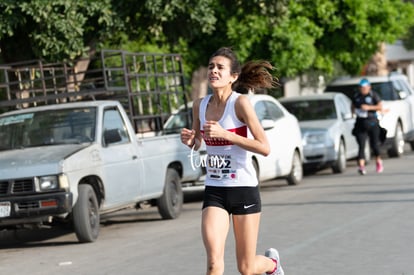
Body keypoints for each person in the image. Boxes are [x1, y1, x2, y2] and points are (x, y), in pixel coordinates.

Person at [181, 47, 284, 275]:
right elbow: (199, 141)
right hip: (215, 190)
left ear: (233, 76)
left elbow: (264, 147)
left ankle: (273, 265)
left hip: (244, 189)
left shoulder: (240, 104)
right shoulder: (200, 105)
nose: (213, 71)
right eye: (211, 66)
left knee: (246, 269)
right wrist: (191, 140)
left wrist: (227, 135)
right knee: (213, 263)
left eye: (220, 67)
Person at [351, 78, 384, 175]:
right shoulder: (357, 96)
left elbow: (380, 106)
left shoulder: (373, 95)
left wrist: (369, 107)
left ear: (369, 87)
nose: (363, 90)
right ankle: (361, 166)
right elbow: (352, 106)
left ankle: (378, 161)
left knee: (375, 145)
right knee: (361, 145)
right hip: (360, 123)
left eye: (365, 88)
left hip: (372, 122)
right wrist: (354, 112)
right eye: (361, 88)